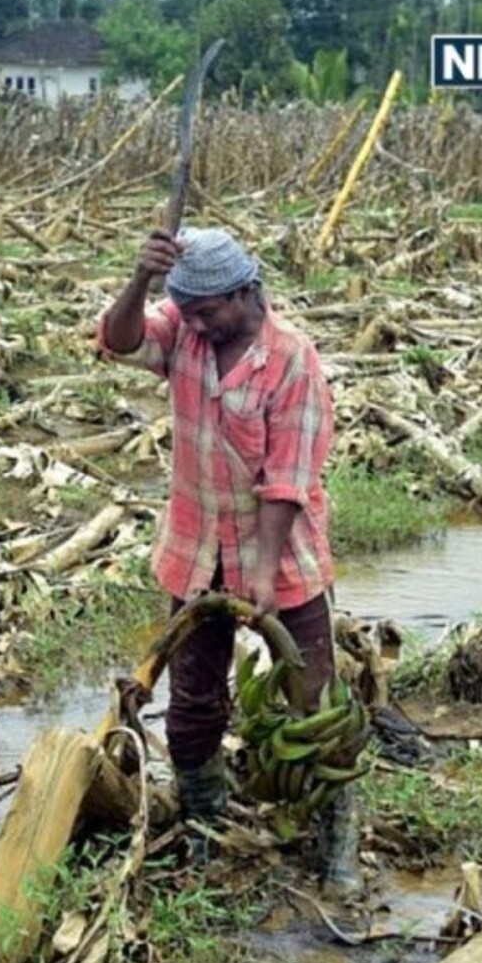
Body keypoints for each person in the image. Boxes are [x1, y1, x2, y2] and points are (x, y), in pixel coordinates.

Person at [95, 226, 359, 887]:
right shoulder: (185, 328)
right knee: (193, 703)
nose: (199, 324)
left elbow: (288, 479)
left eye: (210, 310)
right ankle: (207, 825)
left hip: (281, 553)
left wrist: (263, 575)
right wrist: (140, 278)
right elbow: (119, 341)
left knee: (314, 702)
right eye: (189, 312)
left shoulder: (291, 360)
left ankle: (337, 841)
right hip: (195, 550)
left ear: (246, 293)